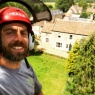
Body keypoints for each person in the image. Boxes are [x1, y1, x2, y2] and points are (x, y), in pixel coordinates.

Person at [0, 7, 43, 95]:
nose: (19, 39)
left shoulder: (27, 67)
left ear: (30, 40)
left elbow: (38, 92)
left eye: (23, 33)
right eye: (10, 32)